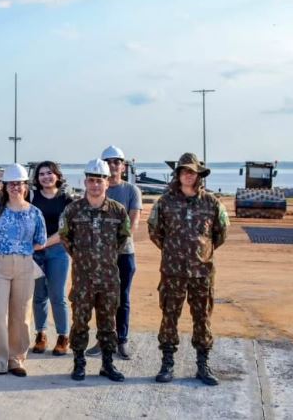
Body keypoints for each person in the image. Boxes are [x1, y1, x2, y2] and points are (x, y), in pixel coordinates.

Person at [148, 152, 229, 386]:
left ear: (198, 175)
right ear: (178, 174)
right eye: (184, 171)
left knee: (202, 318)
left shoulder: (212, 203)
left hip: (202, 273)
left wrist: (201, 251)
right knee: (169, 316)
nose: (188, 175)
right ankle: (167, 363)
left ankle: (203, 364)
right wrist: (174, 251)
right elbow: (155, 232)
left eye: (192, 171)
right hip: (173, 272)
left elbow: (220, 233)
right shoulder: (165, 202)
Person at [59, 159, 130, 383]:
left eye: (100, 181)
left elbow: (122, 239)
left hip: (109, 279)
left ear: (107, 183)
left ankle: (107, 365)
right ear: (85, 182)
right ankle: (79, 363)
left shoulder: (118, 212)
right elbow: (65, 238)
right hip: (83, 279)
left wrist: (104, 259)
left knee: (108, 324)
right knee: (80, 322)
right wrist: (83, 258)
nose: (95, 185)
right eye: (91, 181)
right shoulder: (73, 210)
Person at [0, 163, 46, 377]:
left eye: (19, 183)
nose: (16, 187)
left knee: (21, 315)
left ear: (25, 186)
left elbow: (41, 241)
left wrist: (22, 250)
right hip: (0, 264)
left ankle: (16, 359)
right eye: (11, 184)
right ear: (5, 186)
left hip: (25, 265)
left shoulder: (35, 213)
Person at [85, 146, 142, 360]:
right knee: (101, 298)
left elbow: (133, 223)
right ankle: (103, 339)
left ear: (123, 166)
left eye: (117, 161)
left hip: (123, 253)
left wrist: (115, 244)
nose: (113, 165)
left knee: (122, 297)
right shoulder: (97, 188)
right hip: (98, 255)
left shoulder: (131, 191)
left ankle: (122, 340)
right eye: (109, 161)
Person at [30, 161, 73, 356]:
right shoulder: (31, 197)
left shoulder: (66, 199)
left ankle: (63, 336)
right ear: (37, 178)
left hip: (58, 251)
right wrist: (35, 246)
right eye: (41, 174)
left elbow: (66, 230)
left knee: (58, 295)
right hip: (35, 253)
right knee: (39, 296)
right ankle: (41, 335)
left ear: (57, 175)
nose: (46, 177)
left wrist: (44, 243)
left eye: (49, 173)